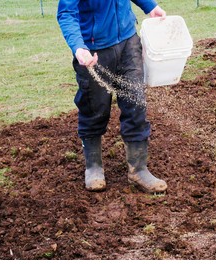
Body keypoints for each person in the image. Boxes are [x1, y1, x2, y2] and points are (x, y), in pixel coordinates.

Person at [57, 0, 167, 193]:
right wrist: (78, 47)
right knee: (94, 108)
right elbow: (66, 13)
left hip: (128, 42)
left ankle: (138, 169)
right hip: (94, 51)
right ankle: (93, 167)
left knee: (136, 103)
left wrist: (150, 6)